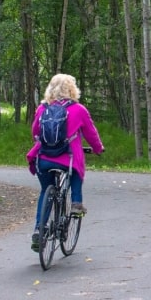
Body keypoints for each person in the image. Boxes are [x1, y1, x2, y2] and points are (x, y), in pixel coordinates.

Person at [26, 73, 105, 251]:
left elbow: (35, 132)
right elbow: (91, 133)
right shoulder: (79, 109)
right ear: (72, 89)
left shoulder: (42, 108)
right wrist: (98, 148)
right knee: (77, 170)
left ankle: (39, 230)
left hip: (44, 159)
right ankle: (76, 203)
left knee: (45, 191)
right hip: (67, 159)